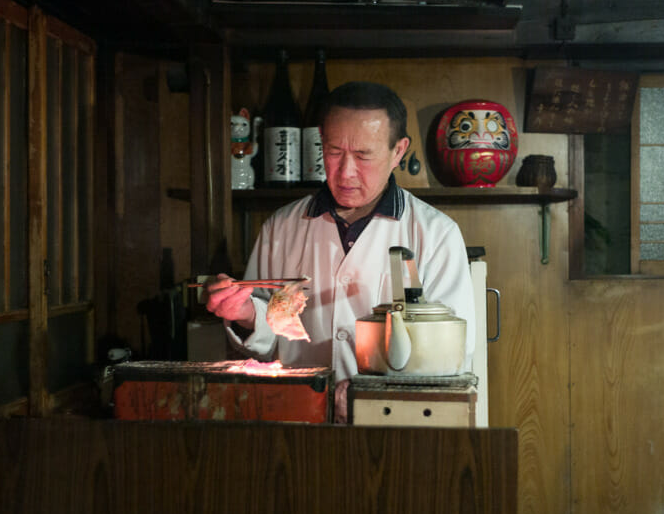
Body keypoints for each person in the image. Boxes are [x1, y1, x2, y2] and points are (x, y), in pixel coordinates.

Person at [203, 81, 476, 422]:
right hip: (297, 421)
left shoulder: (436, 234)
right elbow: (266, 341)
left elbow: (451, 355)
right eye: (333, 152)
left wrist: (370, 396)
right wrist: (245, 314)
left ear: (398, 151)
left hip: (395, 427)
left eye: (363, 155)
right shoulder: (283, 227)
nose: (345, 172)